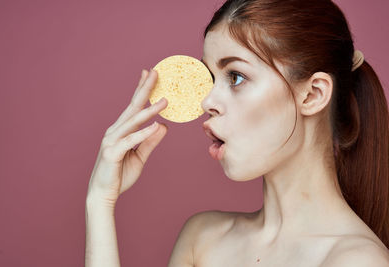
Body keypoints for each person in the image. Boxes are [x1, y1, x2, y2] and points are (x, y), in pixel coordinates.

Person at [85, 0, 389, 266]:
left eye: (236, 76)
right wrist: (100, 202)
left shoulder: (357, 261)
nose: (207, 102)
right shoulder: (202, 240)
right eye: (210, 78)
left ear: (311, 95)